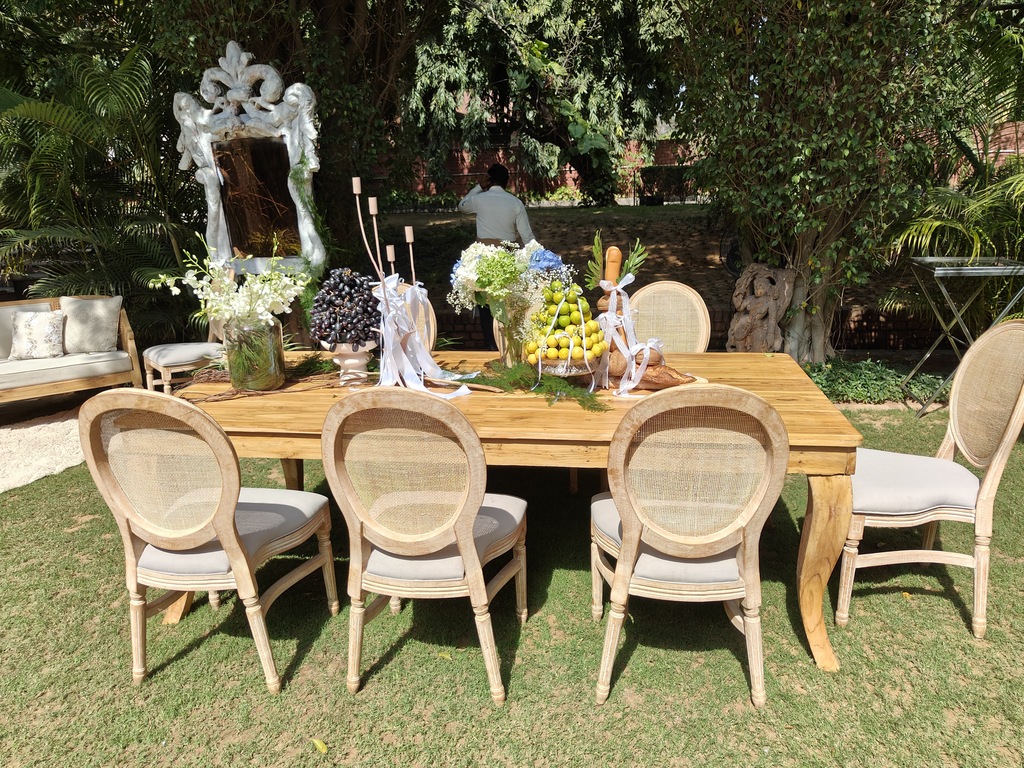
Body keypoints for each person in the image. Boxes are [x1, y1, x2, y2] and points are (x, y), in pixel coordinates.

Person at [458, 163, 536, 348]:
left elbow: (462, 206)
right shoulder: (515, 202)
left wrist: (479, 186)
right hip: (508, 256)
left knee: (485, 301)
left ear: (489, 179)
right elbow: (527, 236)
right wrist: (536, 256)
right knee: (507, 299)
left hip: (483, 257)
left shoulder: (480, 199)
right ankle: (509, 343)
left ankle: (490, 343)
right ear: (507, 182)